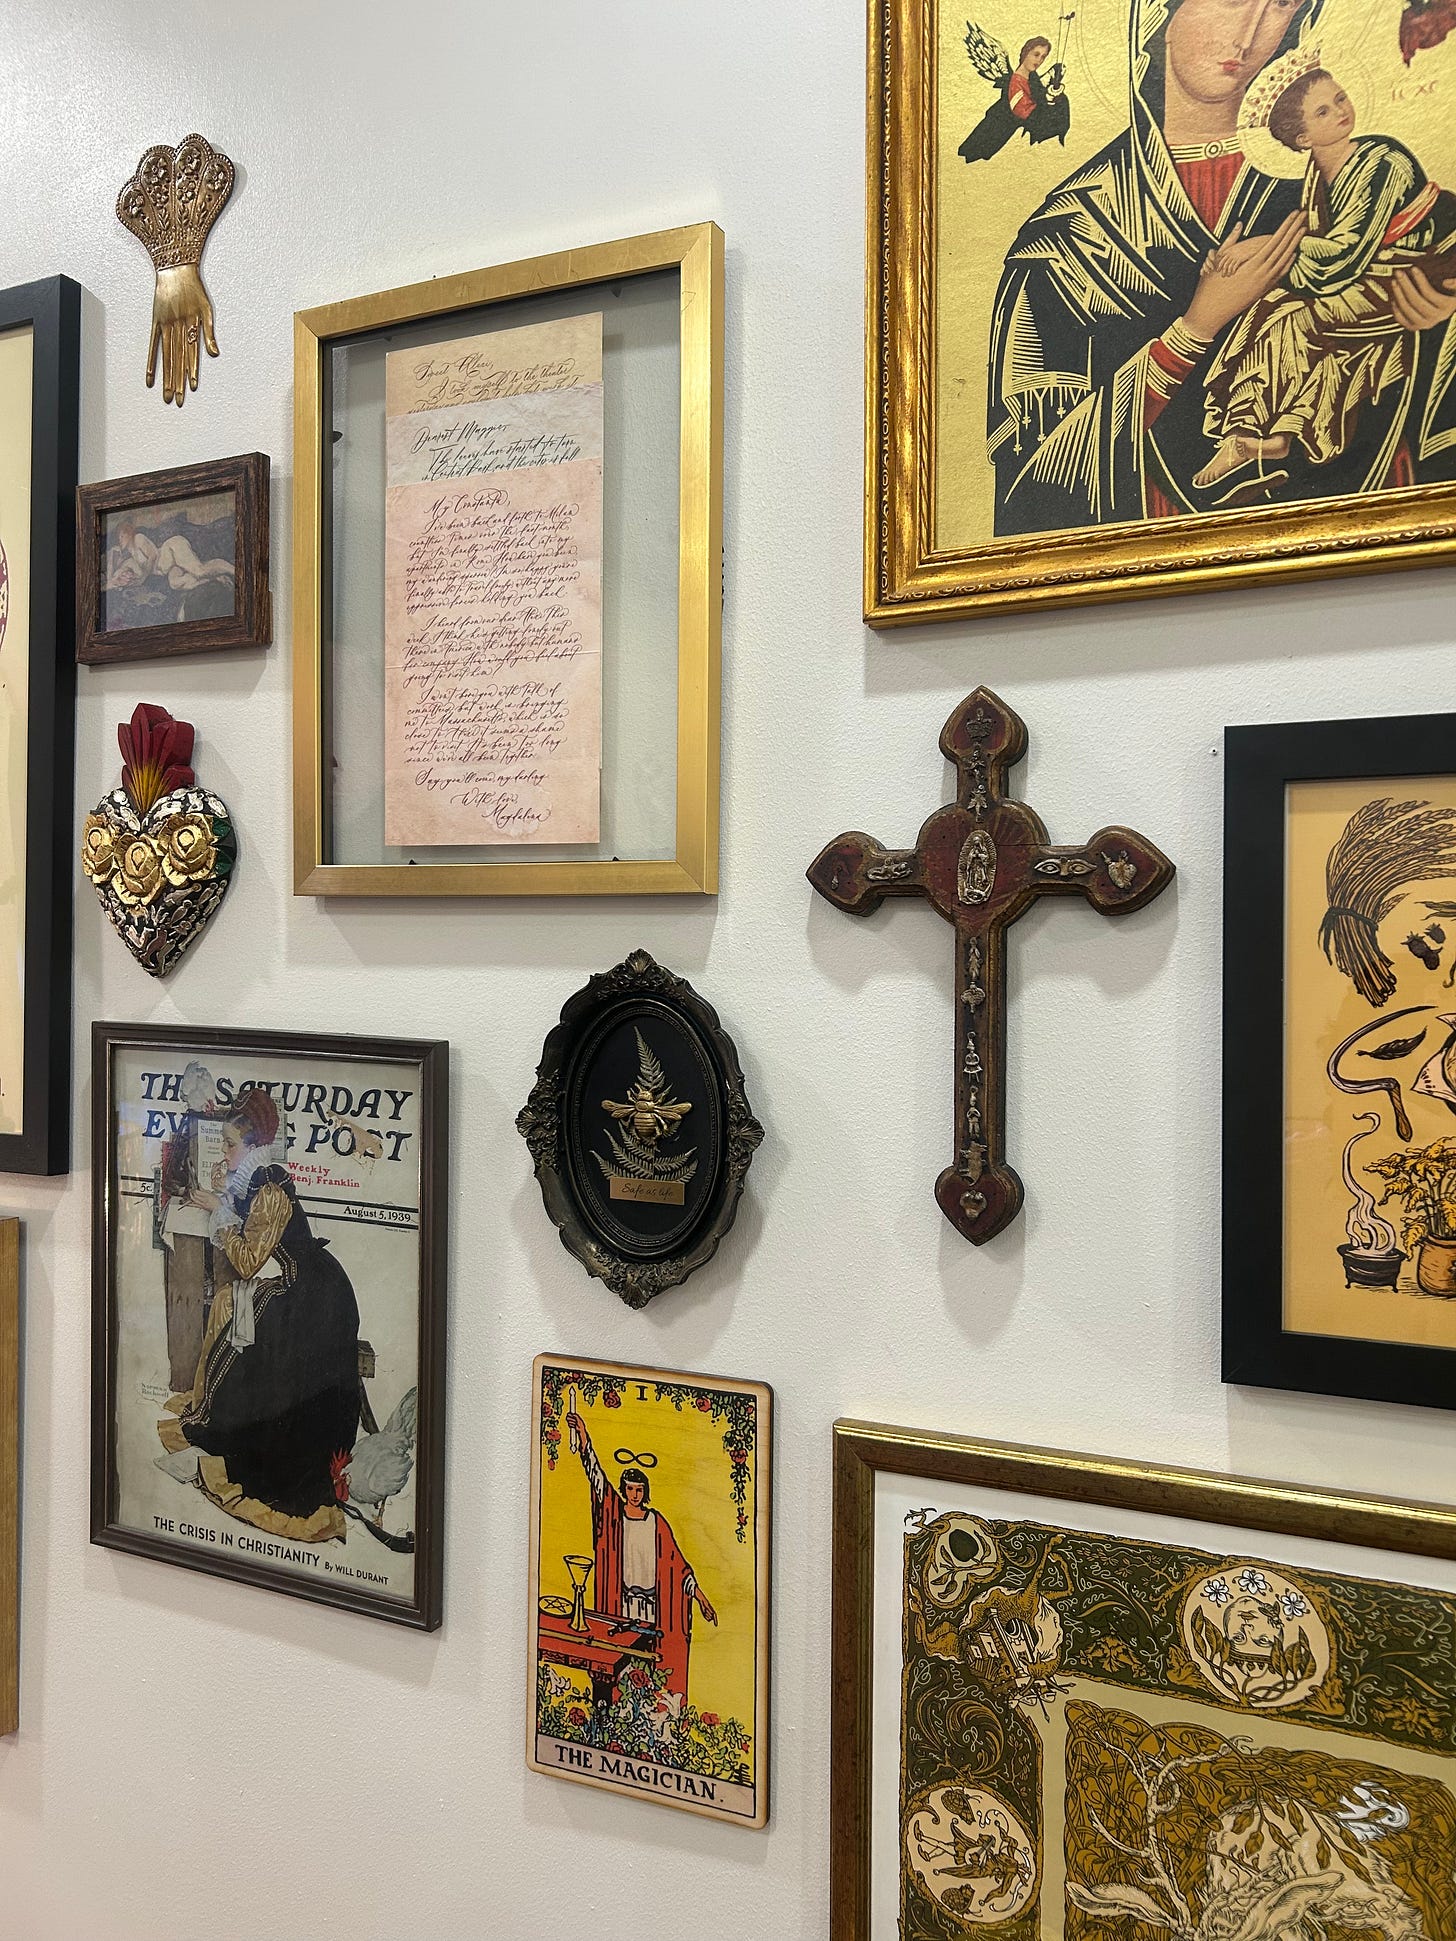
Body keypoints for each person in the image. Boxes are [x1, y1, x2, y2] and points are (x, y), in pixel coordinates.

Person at [985, 0, 1456, 534]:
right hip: (1154, 556)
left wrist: (1432, 315)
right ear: (1156, 12)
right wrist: (1192, 331)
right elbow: (1030, 485)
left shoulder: (1334, 173)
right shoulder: (1067, 234)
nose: (1248, 35)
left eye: (1280, 5)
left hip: (1355, 540)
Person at [1196, 66, 1452, 488]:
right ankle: (1257, 436)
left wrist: (1260, 251)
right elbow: (1316, 244)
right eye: (1322, 112)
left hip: (1405, 277)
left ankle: (1261, 438)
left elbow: (1343, 257)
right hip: (1363, 277)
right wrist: (1243, 260)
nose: (1340, 111)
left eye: (1339, 98)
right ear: (1302, 139)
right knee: (1268, 306)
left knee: (1294, 319)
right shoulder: (1319, 173)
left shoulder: (1382, 161)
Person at [155, 1088, 360, 1543]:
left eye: (230, 1145)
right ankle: (219, 1411)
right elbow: (248, 1222)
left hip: (315, 1297)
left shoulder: (269, 1187)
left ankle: (229, 1424)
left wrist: (221, 1215)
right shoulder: (257, 1176)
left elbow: (248, 1261)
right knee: (233, 1310)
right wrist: (221, 1194)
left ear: (251, 1145)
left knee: (243, 1322)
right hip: (301, 1283)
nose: (225, 1152)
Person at [565, 1407, 716, 1702]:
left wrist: (700, 1598)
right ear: (624, 1490)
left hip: (652, 1610)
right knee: (620, 1667)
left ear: (645, 1492)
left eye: (639, 1489)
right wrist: (584, 1437)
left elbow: (678, 1567)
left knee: (649, 1668)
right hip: (622, 1607)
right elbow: (597, 1479)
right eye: (630, 1489)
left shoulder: (656, 1523)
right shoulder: (613, 1516)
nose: (634, 1494)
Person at [958, 37, 1069, 164]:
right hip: (992, 132)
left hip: (1003, 135)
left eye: (1043, 57)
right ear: (1025, 53)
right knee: (972, 156)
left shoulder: (1032, 78)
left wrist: (1052, 84)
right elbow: (1024, 111)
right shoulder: (1015, 81)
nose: (1039, 60)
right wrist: (1048, 97)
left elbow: (1038, 92)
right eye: (1036, 54)